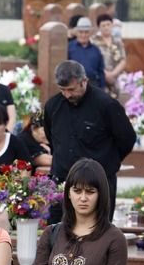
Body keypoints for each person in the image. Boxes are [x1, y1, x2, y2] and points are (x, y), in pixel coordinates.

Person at [43, 60, 136, 223]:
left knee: (97, 237)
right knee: (58, 234)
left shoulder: (106, 105)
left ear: (84, 81)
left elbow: (127, 138)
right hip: (62, 181)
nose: (67, 95)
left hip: (98, 183)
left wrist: (107, 161)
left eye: (71, 89)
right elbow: (53, 139)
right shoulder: (53, 106)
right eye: (62, 90)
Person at [91, 14, 127, 99]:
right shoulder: (93, 41)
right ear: (99, 27)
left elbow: (123, 60)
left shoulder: (117, 41)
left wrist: (113, 74)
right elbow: (92, 60)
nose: (106, 27)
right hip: (100, 78)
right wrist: (105, 74)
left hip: (116, 78)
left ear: (112, 25)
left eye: (108, 25)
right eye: (103, 25)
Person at [67, 17, 105, 89]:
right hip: (75, 85)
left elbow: (101, 72)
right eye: (81, 32)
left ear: (90, 33)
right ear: (77, 32)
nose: (83, 35)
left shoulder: (96, 50)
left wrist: (102, 89)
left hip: (93, 85)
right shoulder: (69, 47)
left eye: (86, 32)